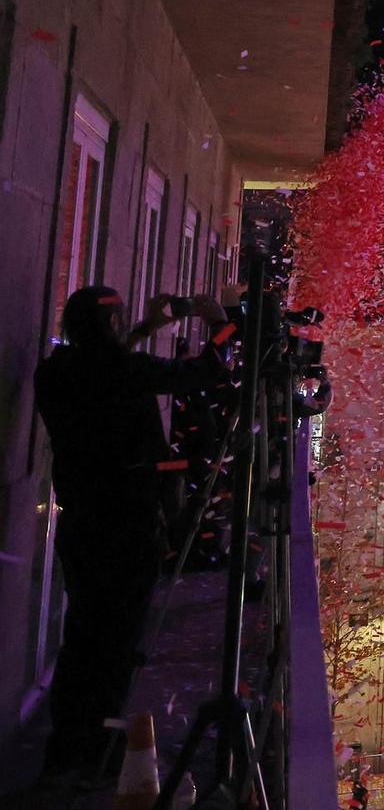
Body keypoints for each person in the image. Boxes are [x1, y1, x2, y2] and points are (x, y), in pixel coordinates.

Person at [32, 286, 232, 781]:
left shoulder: (54, 371)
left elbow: (109, 365)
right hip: (126, 521)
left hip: (81, 519)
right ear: (111, 325)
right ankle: (98, 748)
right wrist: (221, 324)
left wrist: (145, 330)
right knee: (117, 637)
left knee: (83, 631)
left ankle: (68, 742)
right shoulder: (122, 370)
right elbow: (205, 370)